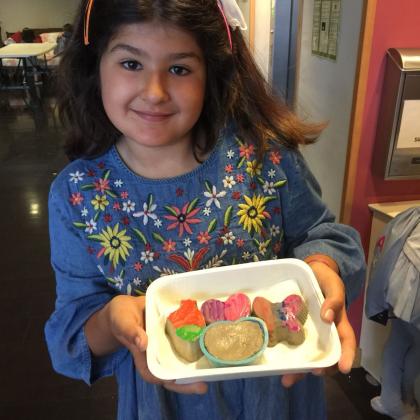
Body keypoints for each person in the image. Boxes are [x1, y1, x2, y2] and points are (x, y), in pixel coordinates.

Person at [44, 1, 366, 419]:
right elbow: (73, 329)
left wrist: (322, 269)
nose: (155, 91)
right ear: (94, 66)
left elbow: (320, 233)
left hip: (278, 399)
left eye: (179, 69)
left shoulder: (264, 156)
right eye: (131, 63)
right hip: (164, 404)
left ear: (211, 71)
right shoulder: (78, 194)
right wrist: (110, 321)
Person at [366, 207, 420, 419]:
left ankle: (394, 400)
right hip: (413, 280)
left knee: (401, 340)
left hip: (407, 275)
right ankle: (399, 401)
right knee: (411, 343)